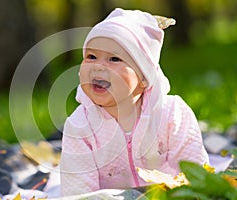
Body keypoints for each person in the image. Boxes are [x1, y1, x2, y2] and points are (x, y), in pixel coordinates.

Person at [60, 8, 209, 196]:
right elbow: (77, 192)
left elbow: (196, 172)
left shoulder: (173, 113)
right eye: (91, 56)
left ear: (144, 77)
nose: (98, 66)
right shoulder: (80, 125)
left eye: (114, 59)